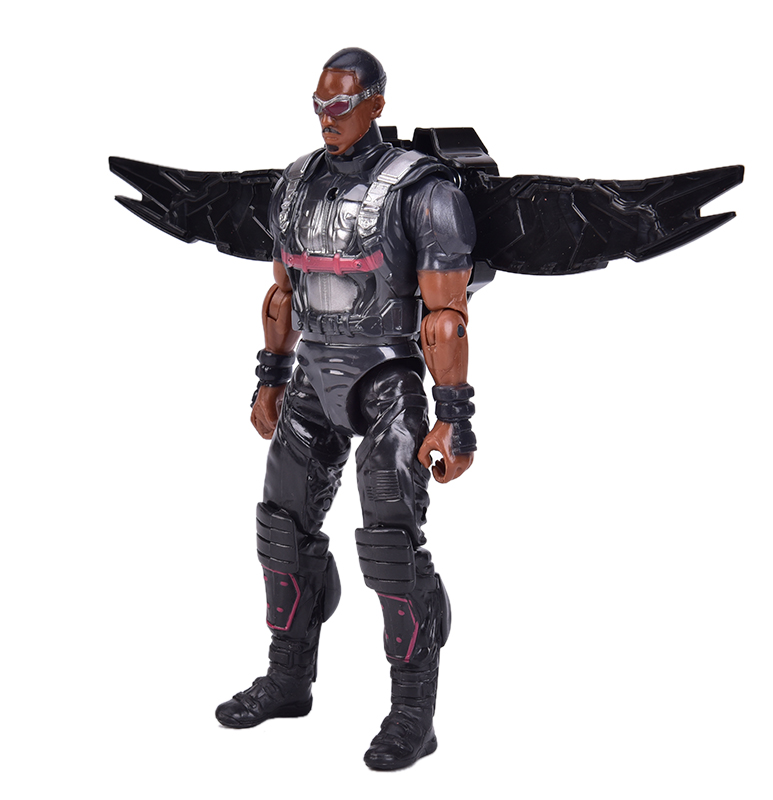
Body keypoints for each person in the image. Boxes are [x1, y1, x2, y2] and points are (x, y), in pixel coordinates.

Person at [213, 47, 478, 771]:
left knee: (390, 546)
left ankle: (413, 714)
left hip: (387, 378)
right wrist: (270, 376)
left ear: (376, 104)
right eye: (319, 106)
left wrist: (454, 417)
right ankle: (288, 680)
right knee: (280, 529)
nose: (327, 118)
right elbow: (283, 293)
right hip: (311, 377)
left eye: (341, 105)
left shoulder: (424, 190)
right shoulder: (295, 183)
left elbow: (445, 317)